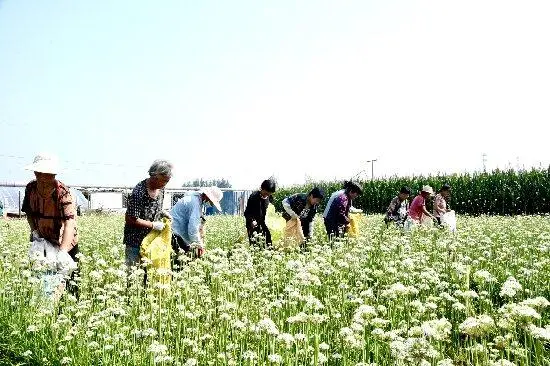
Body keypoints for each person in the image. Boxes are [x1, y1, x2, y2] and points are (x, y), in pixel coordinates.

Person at [21, 153, 80, 295]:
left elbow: (69, 222)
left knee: (71, 282)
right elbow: (28, 211)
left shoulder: (62, 191)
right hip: (43, 240)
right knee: (42, 279)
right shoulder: (31, 189)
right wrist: (34, 231)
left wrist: (63, 252)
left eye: (52, 173)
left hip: (64, 241)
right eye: (45, 173)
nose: (49, 177)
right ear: (36, 173)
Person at [124, 160, 173, 268]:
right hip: (135, 241)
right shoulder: (139, 191)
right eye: (164, 181)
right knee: (134, 274)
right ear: (154, 176)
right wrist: (153, 225)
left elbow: (155, 208)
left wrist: (163, 213)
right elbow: (130, 218)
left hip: (152, 239)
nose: (165, 184)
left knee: (150, 273)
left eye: (167, 181)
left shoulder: (161, 190)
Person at [170, 186, 223, 264]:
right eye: (210, 200)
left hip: (175, 232)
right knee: (184, 260)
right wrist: (199, 245)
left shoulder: (194, 199)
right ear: (207, 196)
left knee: (184, 258)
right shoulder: (195, 203)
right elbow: (193, 229)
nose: (209, 203)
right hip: (175, 234)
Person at [244, 179, 276, 247]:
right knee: (254, 244)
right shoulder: (254, 196)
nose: (267, 195)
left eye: (269, 193)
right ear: (262, 188)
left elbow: (271, 211)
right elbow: (247, 212)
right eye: (266, 193)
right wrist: (252, 220)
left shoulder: (270, 198)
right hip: (253, 225)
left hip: (265, 224)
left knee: (268, 243)